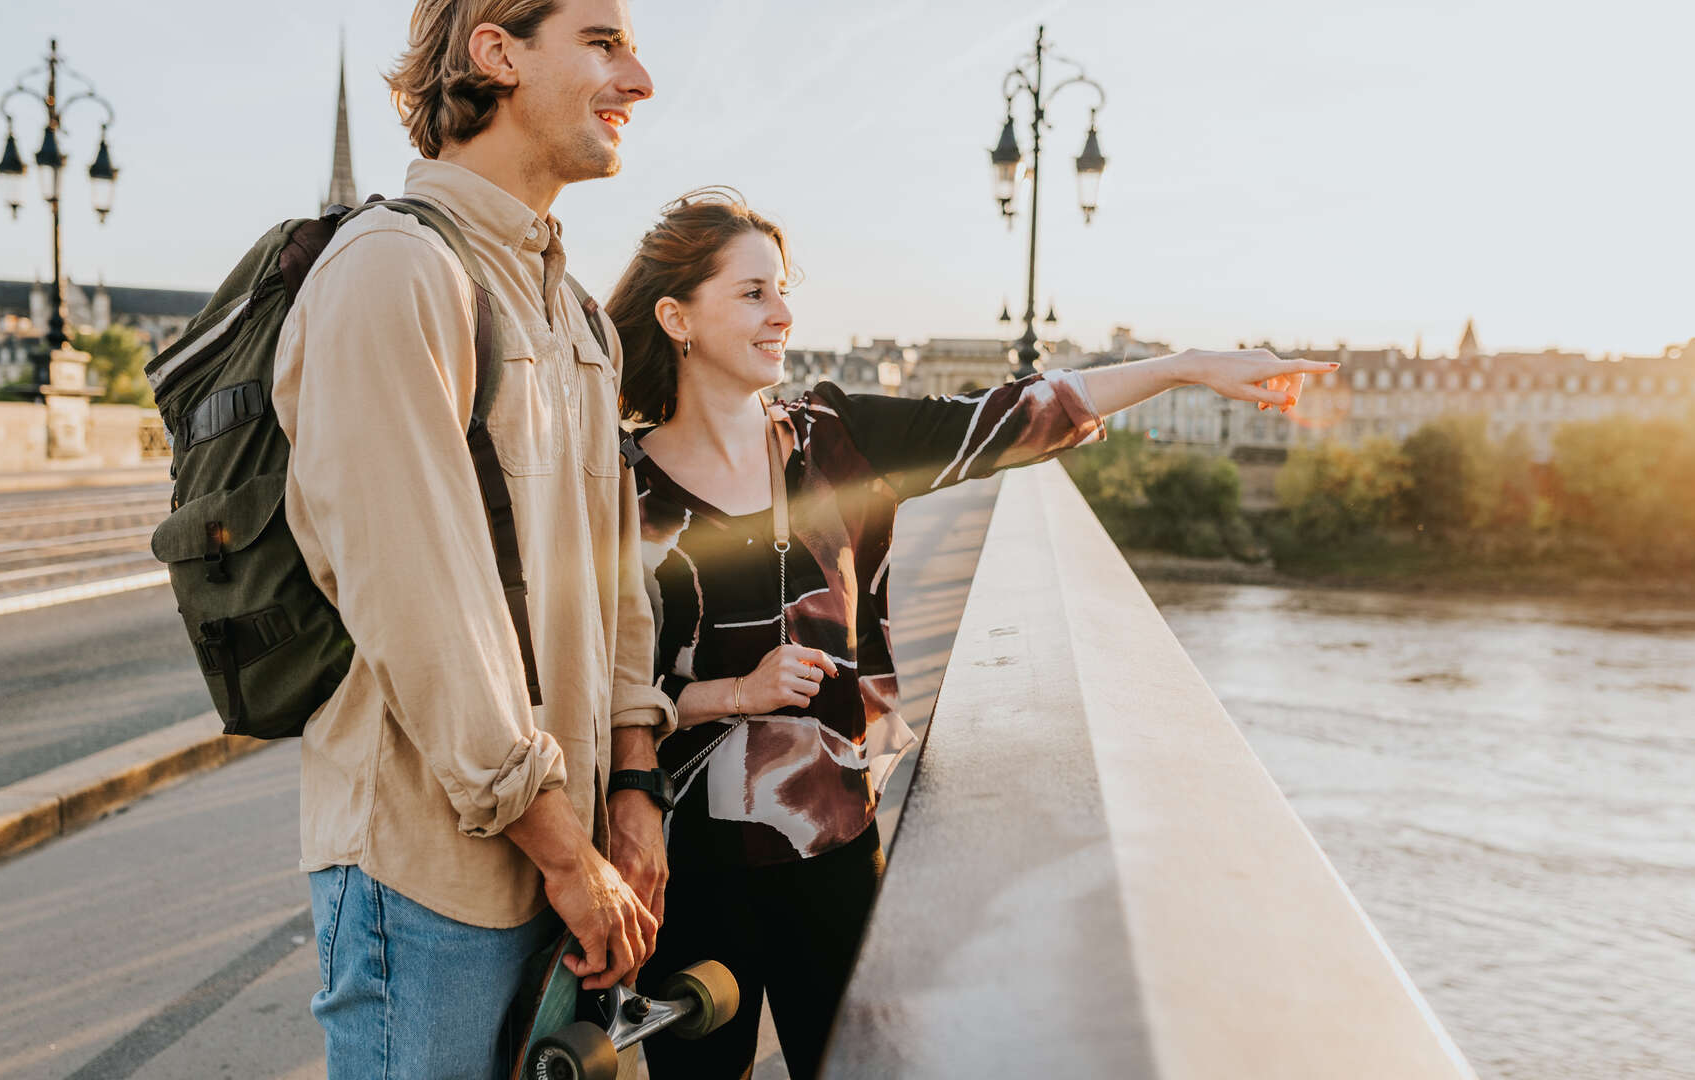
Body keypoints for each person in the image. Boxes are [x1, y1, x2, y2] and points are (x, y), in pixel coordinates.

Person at [605, 188, 1341, 1079]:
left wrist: (1183, 365)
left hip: (836, 846)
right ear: (678, 317)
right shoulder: (619, 490)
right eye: (753, 292)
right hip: (693, 867)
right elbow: (598, 689)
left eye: (783, 289)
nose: (783, 313)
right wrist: (732, 694)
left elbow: (1019, 414)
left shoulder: (836, 439)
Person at [270, 1, 677, 1075]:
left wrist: (634, 790)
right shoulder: (393, 272)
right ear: (495, 52)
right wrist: (560, 846)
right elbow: (422, 605)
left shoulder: (579, 314)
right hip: (434, 881)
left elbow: (614, 588)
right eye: (602, 42)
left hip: (574, 851)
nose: (639, 79)